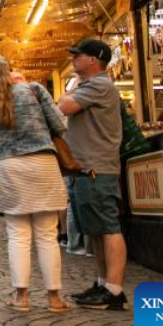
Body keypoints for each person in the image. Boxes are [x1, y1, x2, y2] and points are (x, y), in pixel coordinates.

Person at [0, 56, 70, 312]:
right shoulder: (35, 90)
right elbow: (60, 125)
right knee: (48, 234)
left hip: (8, 166)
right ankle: (54, 299)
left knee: (17, 235)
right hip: (43, 163)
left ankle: (22, 296)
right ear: (13, 71)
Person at [57, 38, 128, 311]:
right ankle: (103, 283)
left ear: (93, 60)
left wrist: (69, 91)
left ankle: (114, 289)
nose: (73, 58)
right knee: (96, 230)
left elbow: (62, 107)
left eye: (78, 55)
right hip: (88, 168)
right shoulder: (92, 85)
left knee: (108, 228)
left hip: (97, 167)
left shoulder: (98, 85)